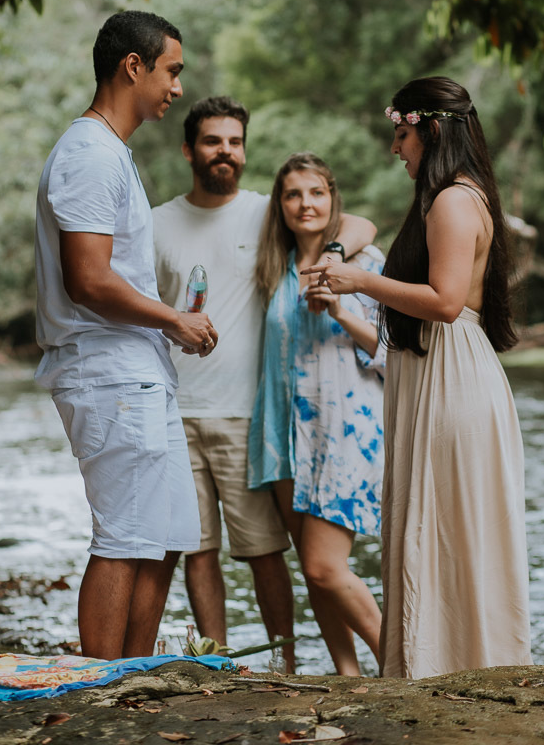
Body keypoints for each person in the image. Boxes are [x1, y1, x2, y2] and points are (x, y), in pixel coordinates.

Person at [302, 76, 532, 679]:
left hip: (452, 379)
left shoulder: (456, 199)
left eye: (400, 134)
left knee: (451, 528)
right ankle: (435, 665)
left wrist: (359, 282)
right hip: (433, 373)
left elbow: (447, 299)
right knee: (435, 526)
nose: (395, 148)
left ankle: (459, 670)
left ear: (428, 130)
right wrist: (342, 257)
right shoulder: (446, 197)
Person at [152, 99, 376, 671]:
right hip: (203, 415)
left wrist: (332, 256)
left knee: (270, 552)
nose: (224, 150)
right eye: (211, 140)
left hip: (267, 417)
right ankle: (221, 664)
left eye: (234, 140)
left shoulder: (270, 217)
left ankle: (291, 663)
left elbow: (356, 224)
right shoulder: (161, 223)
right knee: (203, 550)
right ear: (188, 150)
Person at [34, 10, 218, 661]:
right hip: (107, 372)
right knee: (123, 535)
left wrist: (171, 323)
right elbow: (87, 279)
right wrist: (174, 318)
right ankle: (96, 689)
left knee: (164, 533)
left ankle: (132, 677)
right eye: (171, 71)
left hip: (139, 368)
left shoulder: (113, 153)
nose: (176, 87)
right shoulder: (87, 153)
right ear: (132, 67)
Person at [248, 153, 385, 676]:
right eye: (292, 194)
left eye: (316, 193)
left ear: (333, 199)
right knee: (312, 571)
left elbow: (392, 352)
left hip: (343, 436)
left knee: (326, 568)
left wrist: (341, 310)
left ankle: (405, 667)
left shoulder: (366, 262)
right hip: (285, 437)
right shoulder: (274, 269)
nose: (305, 204)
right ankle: (348, 676)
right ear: (280, 206)